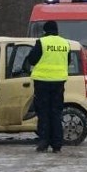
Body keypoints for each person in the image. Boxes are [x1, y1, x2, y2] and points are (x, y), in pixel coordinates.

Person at [28, 20, 70, 153]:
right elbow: (67, 61)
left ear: (45, 31)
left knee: (44, 113)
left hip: (42, 82)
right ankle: (57, 144)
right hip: (59, 83)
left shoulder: (42, 42)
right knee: (56, 113)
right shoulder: (65, 43)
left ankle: (44, 142)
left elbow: (32, 59)